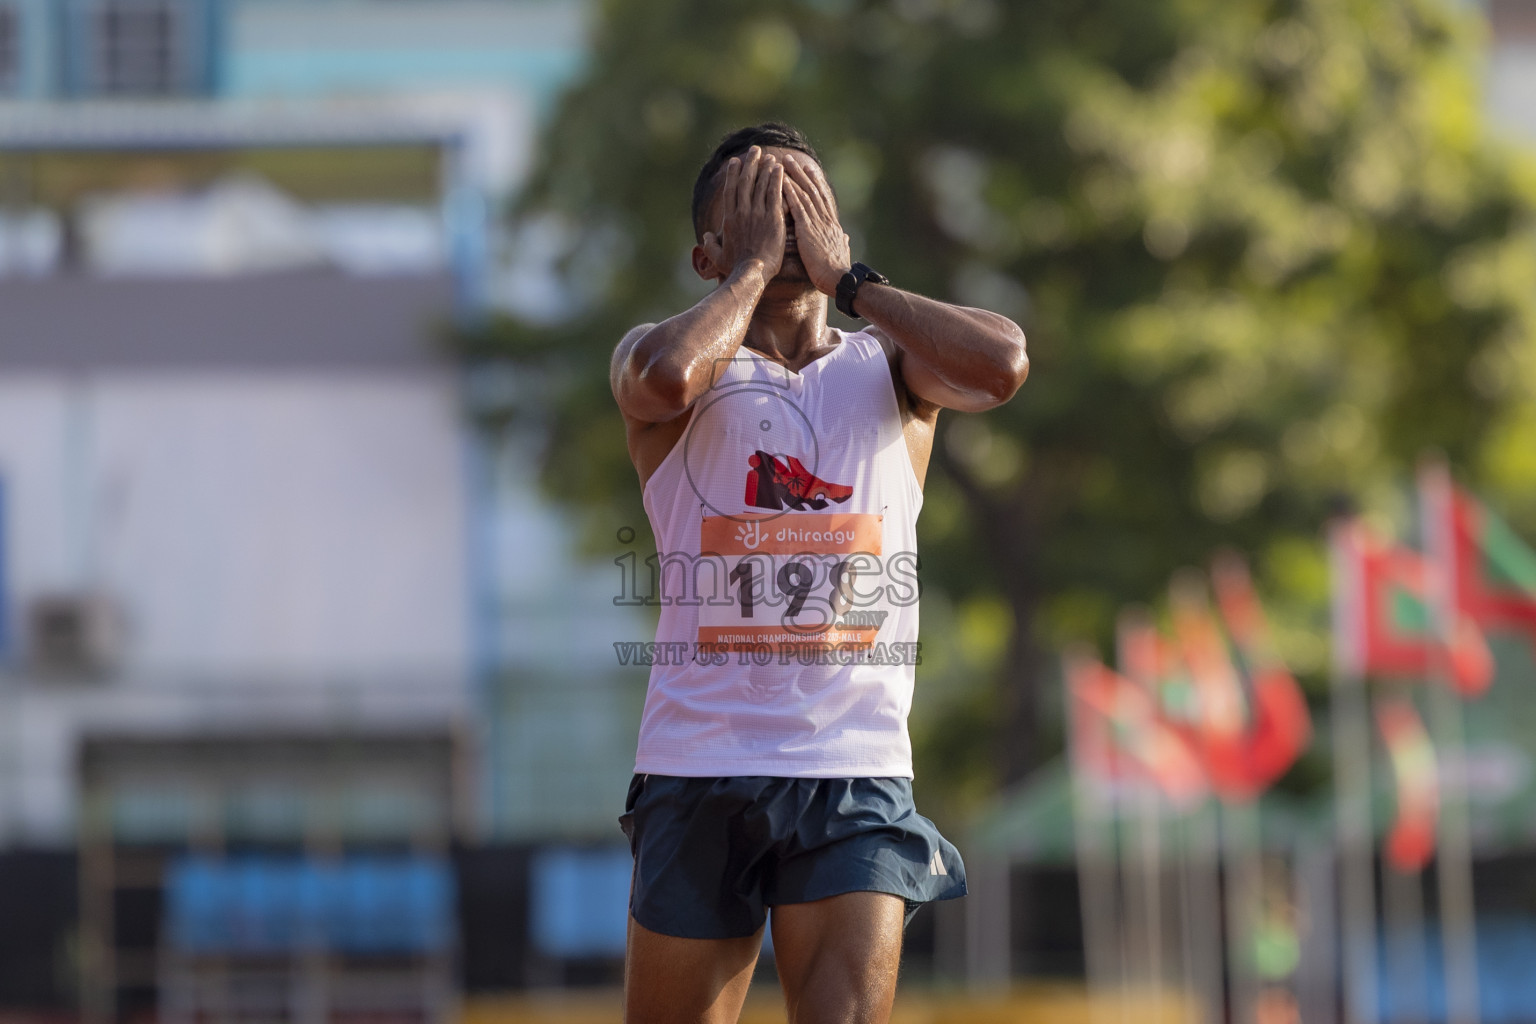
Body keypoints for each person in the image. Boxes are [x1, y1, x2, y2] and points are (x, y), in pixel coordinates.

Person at [609, 122, 1029, 1024]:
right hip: (699, 763)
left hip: (852, 767)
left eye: (802, 200)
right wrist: (753, 272)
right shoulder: (664, 355)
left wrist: (854, 284)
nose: (785, 219)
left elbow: (1002, 366)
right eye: (758, 204)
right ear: (704, 252)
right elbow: (663, 380)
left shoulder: (891, 366)